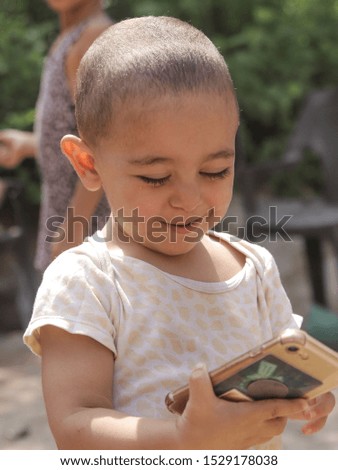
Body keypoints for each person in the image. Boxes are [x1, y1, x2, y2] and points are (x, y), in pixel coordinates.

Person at [23, 16, 335, 450]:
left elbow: (278, 370)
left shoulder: (254, 268)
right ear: (88, 164)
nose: (189, 200)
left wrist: (306, 396)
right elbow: (75, 426)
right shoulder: (86, 282)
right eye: (156, 177)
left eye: (215, 170)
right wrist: (181, 438)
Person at [0, 0, 112, 272]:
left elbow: (106, 142)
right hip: (67, 216)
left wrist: (73, 229)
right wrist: (30, 145)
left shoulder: (92, 37)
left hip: (89, 227)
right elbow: (76, 131)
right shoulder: (69, 36)